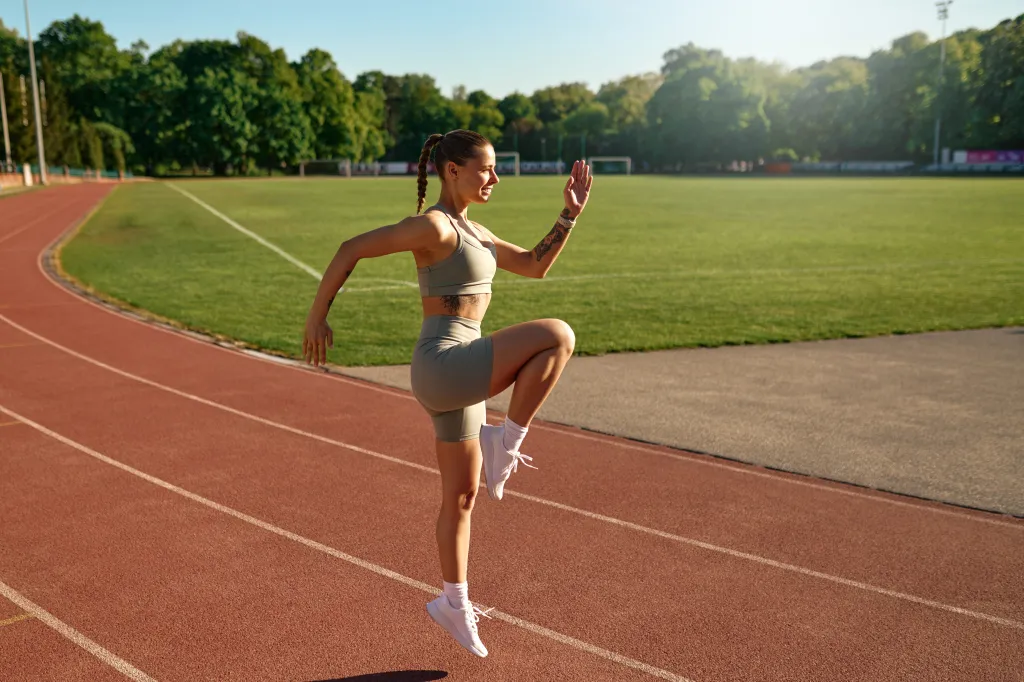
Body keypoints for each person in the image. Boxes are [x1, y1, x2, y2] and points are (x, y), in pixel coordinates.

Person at [302, 129, 592, 657]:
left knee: (462, 497)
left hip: (461, 372)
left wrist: (568, 216)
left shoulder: (475, 230)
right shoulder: (434, 226)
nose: (496, 178)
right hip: (444, 363)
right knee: (558, 335)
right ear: (452, 170)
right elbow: (351, 249)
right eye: (486, 169)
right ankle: (507, 440)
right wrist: (317, 315)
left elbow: (534, 264)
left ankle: (452, 603)